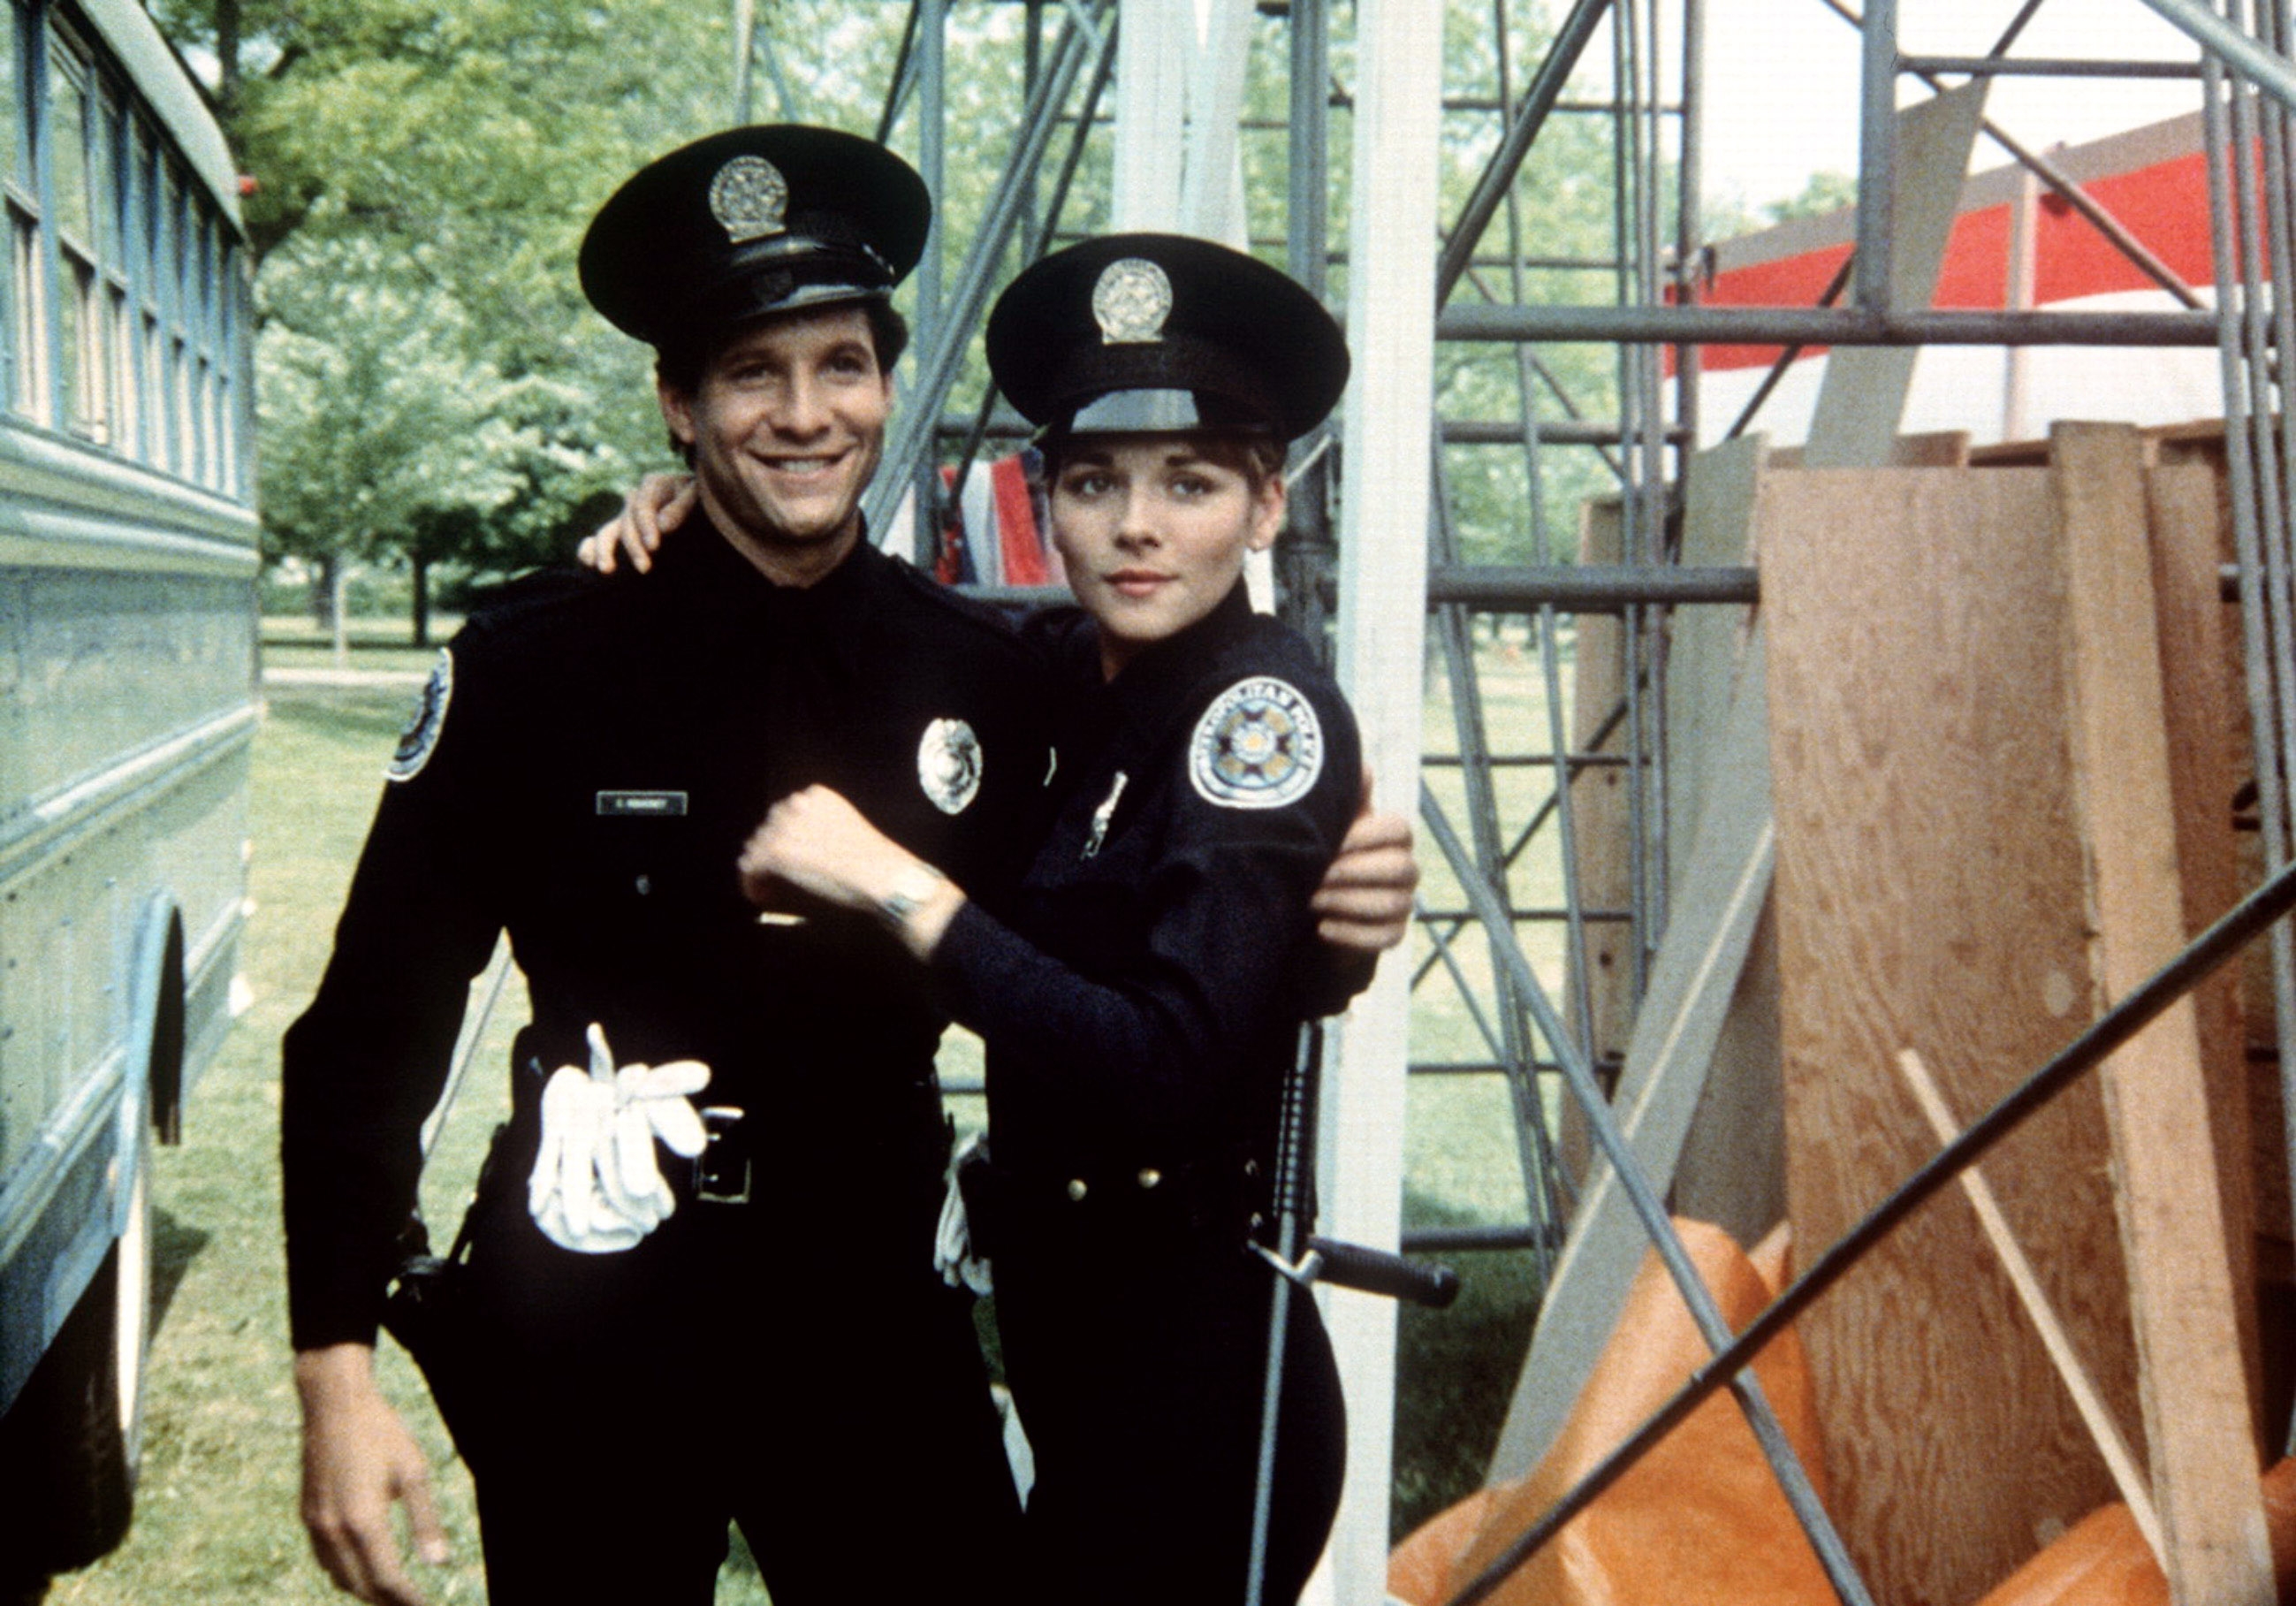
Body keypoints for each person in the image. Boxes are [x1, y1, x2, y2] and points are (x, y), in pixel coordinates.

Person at [281, 127, 1413, 1606]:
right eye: (752, 373)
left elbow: (1155, 890)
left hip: (871, 1317)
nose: (803, 415)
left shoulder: (994, 678)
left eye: (840, 366)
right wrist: (333, 1373)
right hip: (591, 1299)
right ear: (679, 404)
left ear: (887, 385)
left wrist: (1335, 929)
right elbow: (373, 1022)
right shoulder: (536, 664)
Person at [737, 232, 1363, 1606]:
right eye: (1094, 483)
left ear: (1264, 506)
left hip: (1191, 1365)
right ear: (1043, 499)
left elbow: (1161, 1062)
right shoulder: (1082, 678)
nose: (1137, 526)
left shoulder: (1254, 716)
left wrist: (899, 892)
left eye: (1189, 484)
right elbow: (888, 622)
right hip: (1081, 1336)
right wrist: (690, 515)